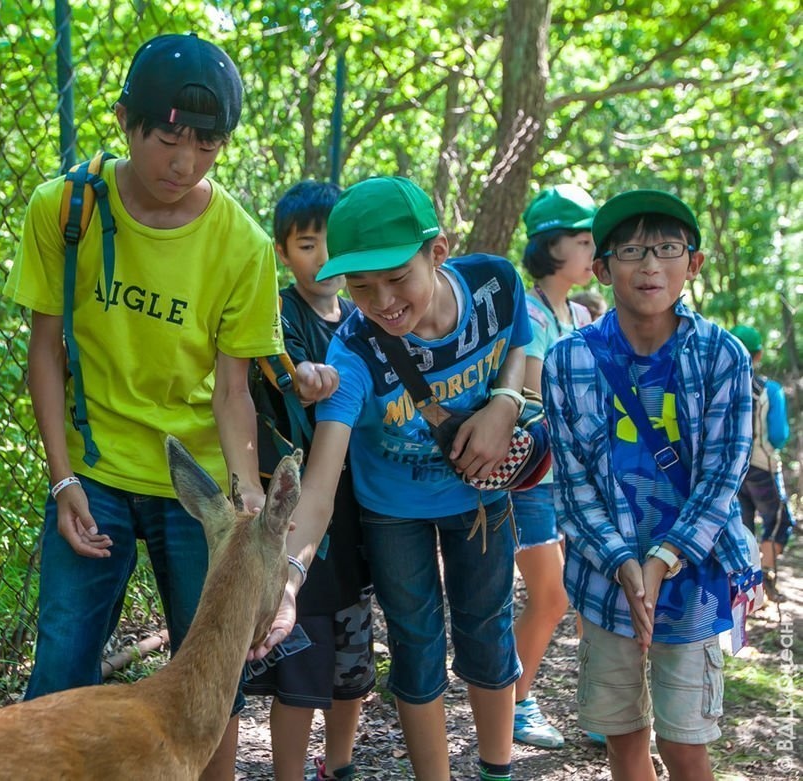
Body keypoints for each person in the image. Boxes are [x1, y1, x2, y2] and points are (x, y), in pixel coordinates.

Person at [3, 33, 285, 779]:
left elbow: (233, 389)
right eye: (167, 138)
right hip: (94, 472)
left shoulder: (244, 245)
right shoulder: (67, 210)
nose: (184, 162)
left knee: (214, 678)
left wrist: (247, 498)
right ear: (126, 121)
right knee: (61, 667)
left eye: (207, 144)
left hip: (194, 489)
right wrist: (62, 479)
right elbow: (45, 350)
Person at [256, 176, 532, 781]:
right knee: (414, 639)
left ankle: (496, 769)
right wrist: (289, 579)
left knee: (487, 626)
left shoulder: (495, 283)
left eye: (396, 277)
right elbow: (322, 484)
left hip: (479, 495)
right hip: (393, 512)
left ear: (437, 252)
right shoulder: (352, 350)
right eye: (360, 284)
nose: (381, 300)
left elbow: (522, 343)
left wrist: (504, 403)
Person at [543, 190, 754, 781]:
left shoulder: (722, 357)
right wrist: (621, 561)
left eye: (666, 249)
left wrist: (661, 561)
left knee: (686, 744)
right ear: (602, 268)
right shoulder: (568, 360)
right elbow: (574, 485)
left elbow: (722, 476)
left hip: (693, 583)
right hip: (605, 581)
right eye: (632, 251)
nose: (650, 265)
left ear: (694, 263)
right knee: (623, 737)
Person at [243, 181, 375, 781]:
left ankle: (339, 765)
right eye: (306, 244)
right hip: (299, 515)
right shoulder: (277, 314)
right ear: (282, 250)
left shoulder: (365, 317)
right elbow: (285, 371)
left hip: (358, 513)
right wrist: (308, 376)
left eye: (334, 243)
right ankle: (289, 773)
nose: (323, 257)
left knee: (354, 660)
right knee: (300, 660)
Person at [510, 184, 598, 749]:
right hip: (533, 480)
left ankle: (603, 707)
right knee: (552, 595)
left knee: (593, 592)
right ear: (550, 246)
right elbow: (538, 390)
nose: (596, 250)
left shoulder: (589, 312)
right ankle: (515, 705)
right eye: (585, 239)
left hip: (580, 480)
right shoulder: (530, 309)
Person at [731, 324, 795, 602]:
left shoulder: (722, 387)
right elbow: (779, 435)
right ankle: (766, 575)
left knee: (744, 525)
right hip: (762, 465)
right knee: (779, 522)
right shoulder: (769, 390)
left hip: (733, 469)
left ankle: (744, 586)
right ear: (758, 355)